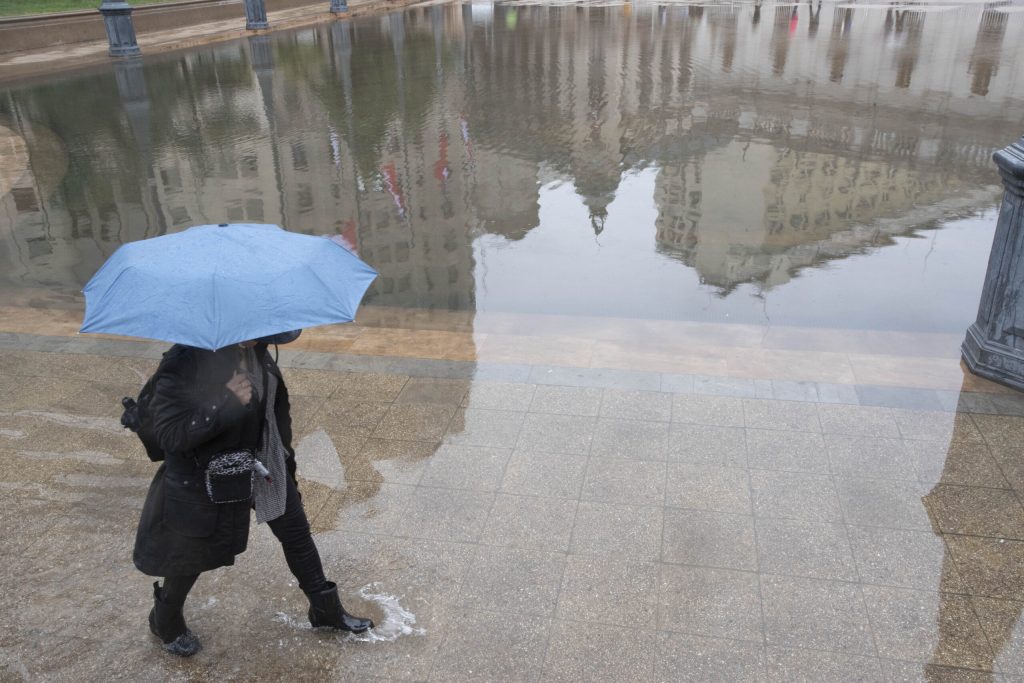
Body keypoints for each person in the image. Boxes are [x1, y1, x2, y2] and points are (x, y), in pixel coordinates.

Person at [132, 330, 373, 656]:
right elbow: (170, 435)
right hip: (207, 473)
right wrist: (224, 401)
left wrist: (285, 462)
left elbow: (273, 413)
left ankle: (325, 610)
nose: (254, 338)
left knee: (296, 532)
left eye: (260, 332)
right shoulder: (184, 360)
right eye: (246, 334)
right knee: (192, 552)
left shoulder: (258, 351)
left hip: (262, 459)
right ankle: (165, 619)